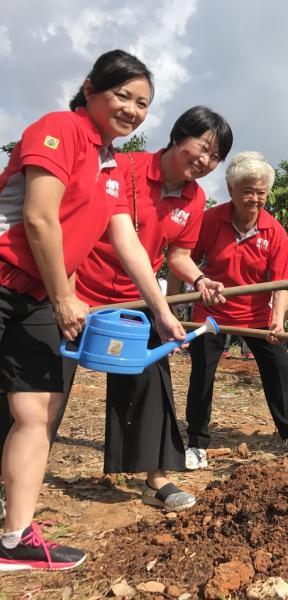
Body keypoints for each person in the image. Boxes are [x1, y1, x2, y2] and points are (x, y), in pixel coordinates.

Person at [0, 49, 184, 571]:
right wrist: (65, 295)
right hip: (7, 279)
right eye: (122, 95)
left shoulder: (114, 165)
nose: (132, 109)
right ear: (90, 88)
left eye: (143, 103)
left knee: (37, 413)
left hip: (37, 295)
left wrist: (162, 311)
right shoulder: (58, 129)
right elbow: (38, 219)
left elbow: (123, 240)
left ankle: (15, 540)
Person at [66, 106, 231, 511]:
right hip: (80, 292)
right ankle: (8, 478)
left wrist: (199, 280)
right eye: (202, 147)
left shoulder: (195, 198)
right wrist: (64, 291)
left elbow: (179, 254)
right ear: (177, 136)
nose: (204, 161)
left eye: (214, 157)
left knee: (153, 382)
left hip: (137, 301)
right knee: (42, 390)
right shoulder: (124, 168)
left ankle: (156, 477)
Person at [182, 151, 288, 470]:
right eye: (247, 191)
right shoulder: (211, 220)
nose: (254, 198)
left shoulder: (274, 231)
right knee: (202, 373)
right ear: (231, 189)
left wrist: (277, 319)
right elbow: (186, 258)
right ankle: (197, 444)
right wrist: (199, 282)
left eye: (261, 192)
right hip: (212, 313)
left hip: (256, 316)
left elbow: (282, 282)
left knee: (280, 367)